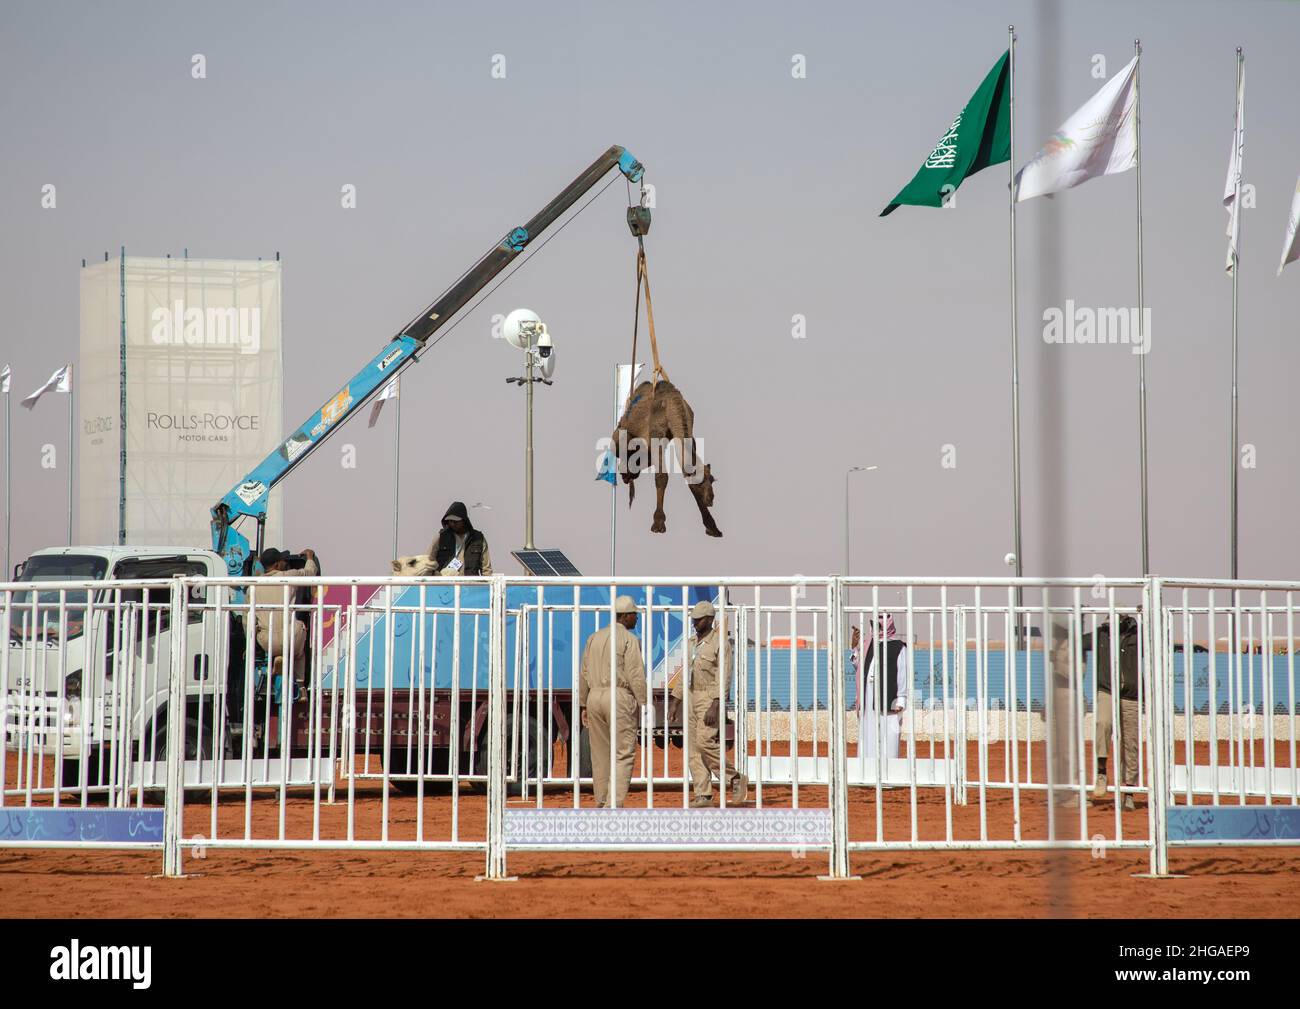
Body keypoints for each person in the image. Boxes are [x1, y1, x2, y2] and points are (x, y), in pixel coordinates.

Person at [672, 600, 747, 808]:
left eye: (699, 620)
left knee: (706, 741)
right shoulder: (689, 644)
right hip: (689, 695)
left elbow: (725, 676)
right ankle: (703, 794)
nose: (695, 623)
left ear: (710, 620)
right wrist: (675, 701)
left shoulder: (720, 644)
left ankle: (733, 777)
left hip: (708, 697)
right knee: (693, 748)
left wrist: (716, 703)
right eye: (694, 620)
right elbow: (684, 675)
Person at [577, 595, 647, 808]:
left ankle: (601, 799)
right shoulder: (629, 639)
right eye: (634, 615)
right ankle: (613, 804)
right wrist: (644, 702)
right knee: (623, 752)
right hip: (618, 696)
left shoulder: (594, 637)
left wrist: (583, 704)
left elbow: (584, 673)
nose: (636, 619)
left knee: (600, 753)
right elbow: (635, 674)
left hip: (594, 696)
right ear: (625, 616)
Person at [1082, 612, 1141, 811]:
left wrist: (1149, 615)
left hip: (1130, 693)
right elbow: (1077, 642)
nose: (1110, 625)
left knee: (1130, 742)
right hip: (1106, 689)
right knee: (1102, 723)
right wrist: (1077, 618)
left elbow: (1160, 640)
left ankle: (1129, 792)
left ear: (1125, 620)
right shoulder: (1101, 634)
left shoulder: (1137, 635)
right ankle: (1101, 773)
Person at [253, 547, 320, 685]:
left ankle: (277, 660)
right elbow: (310, 573)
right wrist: (309, 558)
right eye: (283, 561)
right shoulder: (288, 576)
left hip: (267, 641)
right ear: (277, 565)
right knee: (299, 645)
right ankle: (300, 684)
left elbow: (248, 621)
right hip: (289, 638)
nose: (285, 563)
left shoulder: (253, 586)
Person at [849, 613, 908, 761]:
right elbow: (859, 667)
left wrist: (901, 698)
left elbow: (902, 671)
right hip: (868, 696)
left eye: (880, 625)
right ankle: (867, 769)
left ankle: (889, 770)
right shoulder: (868, 644)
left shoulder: (897, 646)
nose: (878, 628)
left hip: (888, 695)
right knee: (868, 731)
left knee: (889, 732)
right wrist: (855, 647)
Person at [427, 501, 493, 576]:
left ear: (464, 521)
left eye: (456, 521)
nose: (452, 524)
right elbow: (427, 562)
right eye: (450, 521)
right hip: (444, 585)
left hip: (470, 585)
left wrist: (487, 585)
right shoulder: (440, 537)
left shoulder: (478, 539)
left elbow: (486, 569)